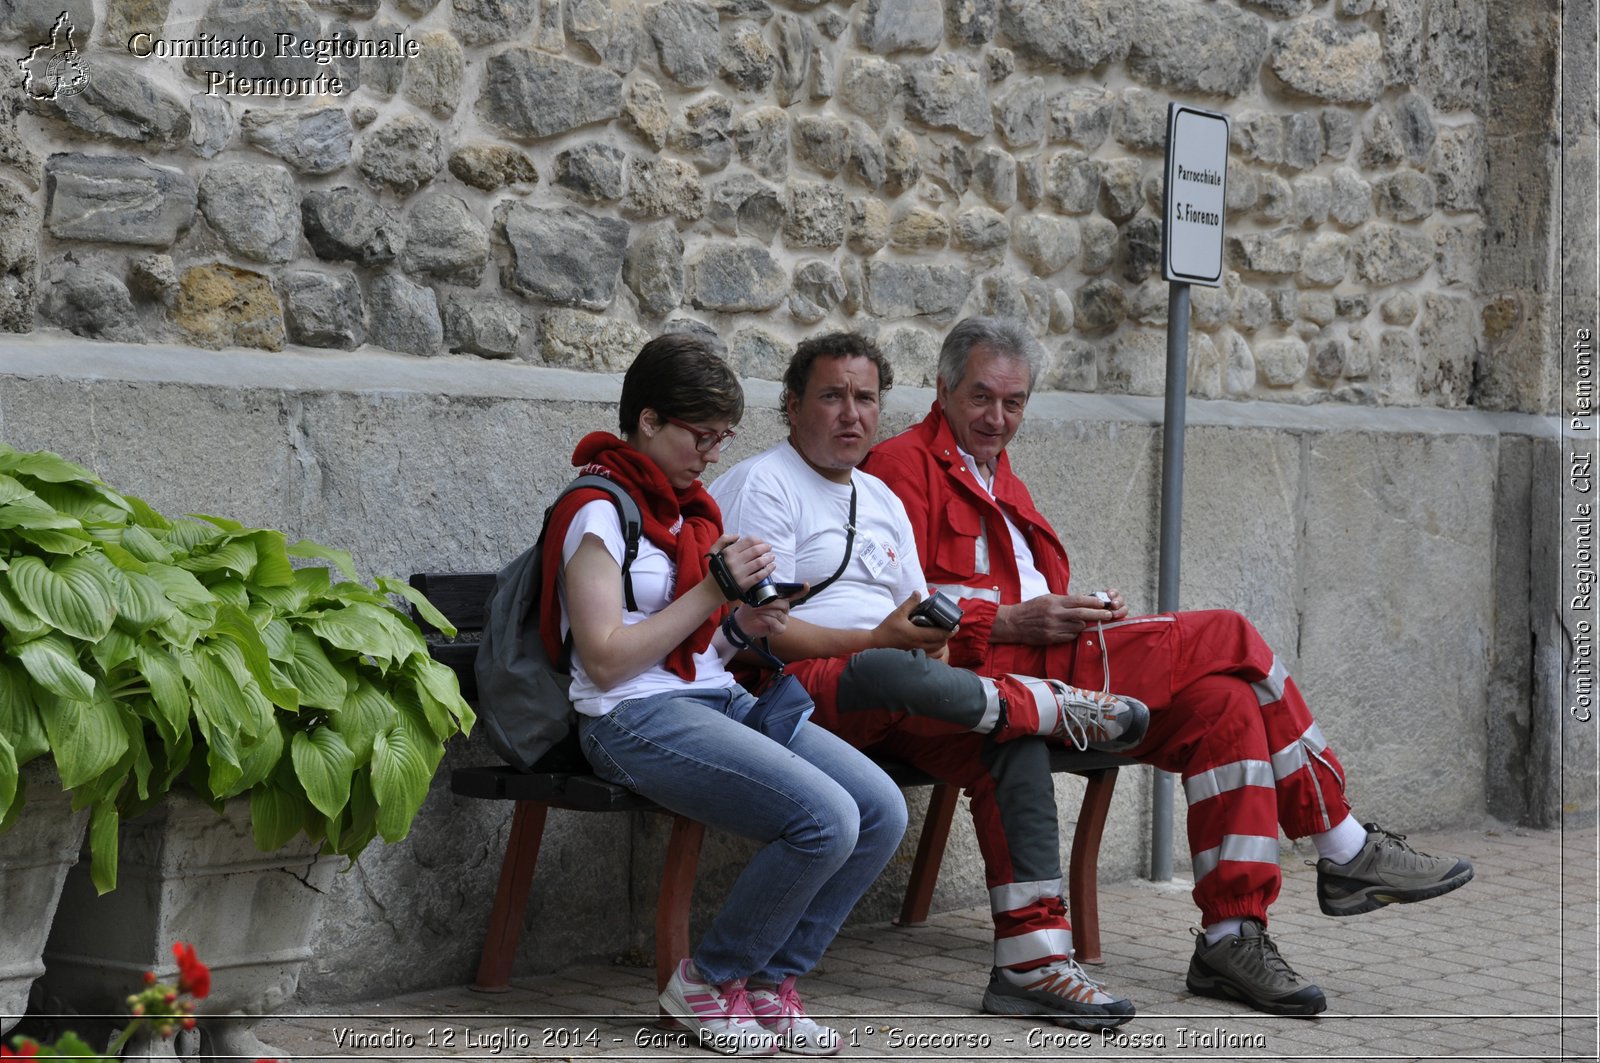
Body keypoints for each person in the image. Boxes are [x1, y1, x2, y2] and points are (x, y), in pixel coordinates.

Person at [855, 316, 1475, 1016]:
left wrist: (1082, 608)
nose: (998, 417)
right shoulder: (901, 466)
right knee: (1231, 635)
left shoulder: (1004, 478)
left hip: (1048, 672)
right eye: (981, 398)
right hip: (978, 683)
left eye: (1015, 402)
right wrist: (1011, 619)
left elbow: (1025, 590)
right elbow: (897, 606)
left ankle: (1231, 936)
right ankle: (1342, 841)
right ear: (942, 389)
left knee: (1226, 707)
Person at [710, 331, 1147, 1031]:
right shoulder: (764, 484)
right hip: (797, 691)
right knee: (892, 665)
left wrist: (934, 646)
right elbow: (766, 633)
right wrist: (883, 640)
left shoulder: (879, 497)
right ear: (792, 405)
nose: (852, 414)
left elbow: (922, 622)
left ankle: (1032, 963)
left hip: (898, 689)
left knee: (1008, 746)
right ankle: (1044, 705)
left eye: (866, 398)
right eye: (832, 395)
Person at [548, 334, 908, 1056]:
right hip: (631, 717)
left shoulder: (688, 513)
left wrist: (741, 624)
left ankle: (770, 985)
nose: (713, 454)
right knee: (825, 818)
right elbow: (609, 659)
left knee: (879, 810)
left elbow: (695, 646)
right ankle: (708, 983)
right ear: (649, 420)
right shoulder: (595, 511)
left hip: (709, 696)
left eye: (723, 439)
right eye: (701, 436)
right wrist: (714, 588)